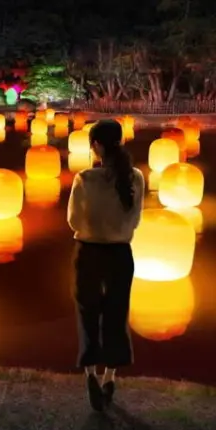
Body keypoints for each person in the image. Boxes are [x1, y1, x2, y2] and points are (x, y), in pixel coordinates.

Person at [66, 119, 144, 412]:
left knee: (87, 312)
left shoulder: (84, 178)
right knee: (116, 313)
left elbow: (73, 221)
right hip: (120, 254)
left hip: (88, 253)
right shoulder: (135, 178)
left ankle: (90, 375)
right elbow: (135, 219)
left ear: (96, 146)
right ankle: (110, 376)